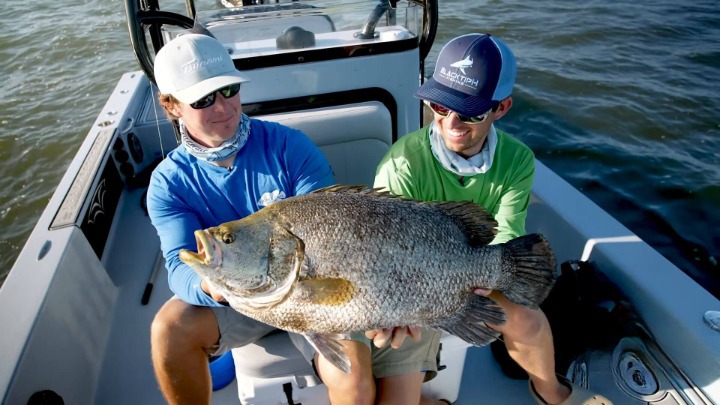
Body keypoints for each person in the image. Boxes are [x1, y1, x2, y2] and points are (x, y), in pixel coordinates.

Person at [146, 32, 443, 405]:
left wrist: (387, 298)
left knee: (353, 380)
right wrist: (214, 287)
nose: (223, 106)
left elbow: (334, 233)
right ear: (172, 105)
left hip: (309, 294)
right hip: (236, 299)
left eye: (229, 89)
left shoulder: (290, 147)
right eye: (203, 99)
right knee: (167, 331)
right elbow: (178, 264)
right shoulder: (168, 183)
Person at [374, 34, 613, 405]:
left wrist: (473, 283)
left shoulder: (517, 159)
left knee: (529, 321)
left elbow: (508, 232)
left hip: (476, 273)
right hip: (411, 287)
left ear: (501, 108)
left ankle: (550, 390)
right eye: (439, 106)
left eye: (469, 112)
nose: (451, 123)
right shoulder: (402, 162)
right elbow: (388, 248)